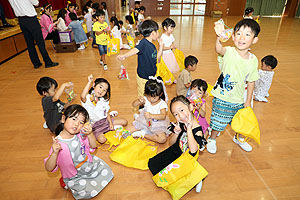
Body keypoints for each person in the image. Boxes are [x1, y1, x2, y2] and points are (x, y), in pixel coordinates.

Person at [207, 19, 260, 154]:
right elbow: (219, 49)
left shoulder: (253, 60)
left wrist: (248, 100)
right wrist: (219, 39)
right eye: (238, 33)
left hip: (239, 98)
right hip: (222, 96)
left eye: (247, 34)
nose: (242, 38)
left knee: (241, 122)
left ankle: (239, 138)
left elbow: (252, 81)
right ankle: (212, 139)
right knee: (218, 120)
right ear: (233, 36)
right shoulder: (229, 52)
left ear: (254, 40)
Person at [44, 104, 114, 199]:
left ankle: (86, 181)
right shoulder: (58, 144)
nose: (77, 124)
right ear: (63, 119)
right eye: (74, 119)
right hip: (74, 176)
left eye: (81, 122)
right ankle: (66, 183)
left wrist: (90, 134)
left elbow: (93, 146)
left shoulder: (80, 135)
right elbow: (49, 168)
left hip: (87, 166)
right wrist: (54, 153)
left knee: (107, 170)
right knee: (86, 193)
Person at [148, 96, 207, 197]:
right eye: (176, 114)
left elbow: (193, 150)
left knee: (173, 187)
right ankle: (192, 177)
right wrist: (176, 132)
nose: (180, 116)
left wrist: (188, 129)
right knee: (153, 164)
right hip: (176, 151)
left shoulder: (198, 131)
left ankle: (196, 178)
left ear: (191, 107)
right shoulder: (180, 123)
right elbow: (171, 143)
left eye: (182, 110)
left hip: (186, 160)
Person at [117, 20, 163, 97]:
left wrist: (161, 46)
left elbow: (156, 58)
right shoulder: (143, 43)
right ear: (153, 33)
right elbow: (136, 49)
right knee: (142, 94)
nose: (158, 33)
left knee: (149, 93)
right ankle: (141, 107)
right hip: (143, 77)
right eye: (157, 31)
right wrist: (125, 55)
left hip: (151, 76)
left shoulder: (153, 46)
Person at [8, 0, 59, 68]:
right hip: (31, 19)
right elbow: (36, 3)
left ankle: (36, 63)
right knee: (40, 42)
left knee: (29, 43)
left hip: (21, 21)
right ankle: (48, 62)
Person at [81, 74, 128, 144]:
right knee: (102, 140)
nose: (101, 91)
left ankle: (112, 128)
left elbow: (106, 113)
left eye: (104, 90)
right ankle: (112, 129)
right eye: (100, 87)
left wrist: (110, 123)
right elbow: (82, 96)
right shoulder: (88, 98)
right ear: (94, 85)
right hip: (95, 126)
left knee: (125, 122)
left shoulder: (103, 100)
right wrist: (89, 82)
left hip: (105, 121)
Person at [126, 77, 170, 143]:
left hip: (158, 124)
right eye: (149, 96)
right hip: (144, 121)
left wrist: (151, 115)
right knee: (127, 130)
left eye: (154, 97)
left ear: (160, 94)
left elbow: (163, 116)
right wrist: (139, 101)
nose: (151, 99)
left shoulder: (162, 104)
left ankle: (143, 134)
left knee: (162, 139)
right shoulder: (146, 99)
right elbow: (133, 105)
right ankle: (144, 128)